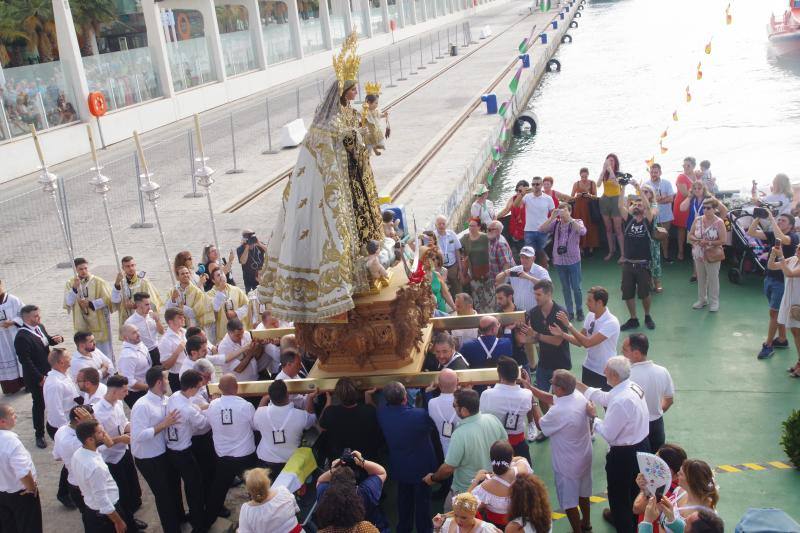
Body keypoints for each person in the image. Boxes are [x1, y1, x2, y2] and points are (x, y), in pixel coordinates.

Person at [257, 35, 384, 323]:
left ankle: (367, 260)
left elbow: (363, 138)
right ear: (341, 91)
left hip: (355, 178)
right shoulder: (327, 120)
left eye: (355, 90)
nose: (355, 94)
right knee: (338, 231)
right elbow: (331, 143)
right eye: (351, 90)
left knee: (365, 227)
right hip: (337, 183)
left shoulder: (350, 114)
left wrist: (370, 127)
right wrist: (354, 138)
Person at [579, 356, 650, 533]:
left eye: (606, 371)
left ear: (614, 375)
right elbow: (606, 397)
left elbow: (609, 434)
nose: (603, 373)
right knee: (635, 490)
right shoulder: (631, 386)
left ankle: (624, 525)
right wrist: (579, 385)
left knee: (618, 496)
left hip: (624, 455)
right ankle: (632, 521)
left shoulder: (621, 401)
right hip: (641, 446)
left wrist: (593, 417)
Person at [521, 369, 591, 533]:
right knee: (584, 493)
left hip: (567, 464)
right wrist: (530, 387)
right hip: (584, 456)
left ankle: (577, 530)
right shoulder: (578, 397)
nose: (551, 386)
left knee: (568, 502)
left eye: (553, 383)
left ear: (560, 389)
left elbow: (541, 425)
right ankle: (586, 524)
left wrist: (533, 402)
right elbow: (551, 398)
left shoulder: (558, 411)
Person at [423, 389, 507, 511]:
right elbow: (506, 447)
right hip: (492, 486)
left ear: (464, 411)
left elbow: (448, 469)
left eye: (454, 405)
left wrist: (432, 478)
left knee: (448, 516)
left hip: (466, 491)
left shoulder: (460, 434)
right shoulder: (493, 419)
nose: (453, 408)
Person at [377, 381, 440, 533]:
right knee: (422, 503)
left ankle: (403, 529)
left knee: (403, 501)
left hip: (401, 468)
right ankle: (424, 529)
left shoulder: (382, 413)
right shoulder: (419, 415)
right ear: (405, 397)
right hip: (422, 469)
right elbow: (432, 419)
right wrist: (428, 394)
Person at [130, 366, 183, 533]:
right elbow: (138, 435)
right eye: (166, 379)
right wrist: (163, 425)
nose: (168, 381)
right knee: (163, 495)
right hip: (149, 457)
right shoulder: (142, 405)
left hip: (163, 452)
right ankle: (171, 528)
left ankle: (180, 517)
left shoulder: (164, 399)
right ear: (159, 382)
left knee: (174, 487)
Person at [206, 374, 258, 521]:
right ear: (236, 387)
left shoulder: (213, 405)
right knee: (254, 486)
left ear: (220, 389)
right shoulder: (245, 406)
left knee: (219, 488)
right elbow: (255, 426)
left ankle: (207, 520)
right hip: (244, 456)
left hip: (223, 455)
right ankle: (259, 515)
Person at [71, 419, 138, 532]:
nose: (104, 434)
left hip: (92, 510)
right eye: (100, 433)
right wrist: (118, 521)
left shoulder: (78, 454)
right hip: (104, 517)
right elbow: (103, 500)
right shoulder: (95, 467)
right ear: (90, 440)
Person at [94, 375, 143, 525]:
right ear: (114, 392)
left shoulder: (118, 404)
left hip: (124, 452)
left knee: (133, 488)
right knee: (122, 494)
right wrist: (120, 439)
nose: (127, 394)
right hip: (111, 459)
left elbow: (123, 423)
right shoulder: (97, 413)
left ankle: (132, 515)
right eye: (124, 391)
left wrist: (136, 428)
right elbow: (98, 444)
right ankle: (127, 522)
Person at [165, 369, 211, 531]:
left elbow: (194, 408)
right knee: (195, 488)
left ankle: (182, 515)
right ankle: (198, 523)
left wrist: (203, 407)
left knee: (182, 485)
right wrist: (211, 411)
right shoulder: (187, 409)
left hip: (170, 448)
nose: (199, 389)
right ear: (192, 388)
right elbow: (203, 424)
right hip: (183, 451)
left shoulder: (175, 397)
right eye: (198, 387)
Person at [14, 304, 64, 448]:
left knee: (55, 399)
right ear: (27, 318)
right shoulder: (22, 337)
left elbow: (45, 340)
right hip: (36, 377)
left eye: (38, 315)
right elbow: (26, 361)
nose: (39, 318)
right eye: (35, 316)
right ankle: (39, 434)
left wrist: (55, 339)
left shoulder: (39, 327)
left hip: (49, 371)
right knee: (39, 404)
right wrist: (40, 378)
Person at [751, 212, 799, 359]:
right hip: (770, 278)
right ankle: (783, 339)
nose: (779, 222)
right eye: (779, 220)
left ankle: (769, 345)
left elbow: (784, 240)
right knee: (777, 312)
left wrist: (771, 217)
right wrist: (759, 216)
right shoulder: (773, 234)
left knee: (774, 313)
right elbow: (751, 232)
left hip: (781, 282)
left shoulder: (793, 237)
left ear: (791, 225)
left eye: (783, 221)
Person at [553, 286, 620, 391]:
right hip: (589, 367)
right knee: (586, 403)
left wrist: (569, 326)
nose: (586, 303)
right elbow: (579, 341)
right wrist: (562, 334)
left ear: (599, 302)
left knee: (608, 405)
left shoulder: (611, 322)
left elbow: (587, 343)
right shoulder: (590, 315)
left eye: (589, 300)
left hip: (605, 371)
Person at [622, 334, 675, 457]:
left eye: (625, 350)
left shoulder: (626, 376)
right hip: (657, 426)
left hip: (636, 428)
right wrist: (656, 411)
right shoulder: (662, 371)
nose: (621, 353)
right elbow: (669, 399)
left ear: (636, 353)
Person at [253, 379, 317, 478]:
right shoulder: (300, 416)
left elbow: (256, 420)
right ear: (287, 395)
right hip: (291, 462)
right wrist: (309, 399)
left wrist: (264, 399)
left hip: (265, 461)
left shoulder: (260, 413)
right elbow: (312, 419)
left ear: (270, 397)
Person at [516, 280, 571, 392]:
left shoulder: (560, 314)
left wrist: (536, 335)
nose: (536, 297)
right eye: (535, 294)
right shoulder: (534, 313)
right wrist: (525, 339)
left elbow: (557, 341)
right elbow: (534, 338)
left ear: (549, 294)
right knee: (541, 395)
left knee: (559, 397)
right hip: (544, 363)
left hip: (560, 364)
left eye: (539, 294)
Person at [479, 357, 537, 462]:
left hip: (495, 448)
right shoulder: (527, 394)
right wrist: (527, 384)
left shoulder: (487, 394)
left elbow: (482, 417)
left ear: (500, 375)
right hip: (519, 447)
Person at [42, 347, 78, 509]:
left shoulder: (63, 375)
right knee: (68, 460)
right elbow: (55, 411)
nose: (70, 358)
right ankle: (63, 493)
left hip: (70, 423)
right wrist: (67, 430)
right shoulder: (54, 384)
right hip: (61, 427)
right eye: (68, 357)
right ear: (60, 362)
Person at [317, 452, 389, 532]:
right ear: (354, 484)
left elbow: (320, 481)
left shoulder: (324, 496)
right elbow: (381, 472)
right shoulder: (364, 493)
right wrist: (362, 462)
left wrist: (332, 471)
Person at [467, 441, 532, 528]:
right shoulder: (521, 469)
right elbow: (521, 459)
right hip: (522, 525)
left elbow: (464, 503)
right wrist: (508, 460)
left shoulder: (485, 487)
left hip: (498, 527)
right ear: (511, 457)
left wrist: (476, 479)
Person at [319, 377, 384, 462]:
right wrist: (368, 396)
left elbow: (322, 426)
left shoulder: (330, 412)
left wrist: (328, 400)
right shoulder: (369, 411)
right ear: (356, 393)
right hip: (366, 458)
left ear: (338, 396)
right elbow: (375, 413)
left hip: (341, 459)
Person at [0, 404, 42, 533]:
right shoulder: (10, 441)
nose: (16, 416)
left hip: (2, 493)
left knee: (8, 526)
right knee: (29, 526)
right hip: (20, 494)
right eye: (12, 414)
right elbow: (23, 472)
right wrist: (31, 488)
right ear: (2, 421)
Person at [541, 203, 586, 320]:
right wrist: (552, 217)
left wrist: (569, 218)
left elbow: (582, 232)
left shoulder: (577, 221)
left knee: (576, 287)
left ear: (570, 211)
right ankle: (570, 311)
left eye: (564, 210)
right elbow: (541, 229)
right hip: (559, 262)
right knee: (565, 288)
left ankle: (579, 310)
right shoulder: (556, 223)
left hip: (573, 261)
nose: (561, 213)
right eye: (560, 210)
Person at [619, 191, 657, 330]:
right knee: (627, 292)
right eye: (635, 204)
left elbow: (648, 207)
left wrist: (638, 188)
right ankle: (633, 318)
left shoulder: (648, 221)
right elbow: (620, 205)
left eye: (640, 205)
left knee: (644, 293)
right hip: (628, 264)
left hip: (643, 264)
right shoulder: (629, 220)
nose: (637, 206)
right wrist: (622, 187)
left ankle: (647, 315)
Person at [63, 258, 115, 358]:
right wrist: (74, 288)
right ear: (75, 270)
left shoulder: (99, 282)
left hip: (99, 323)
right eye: (80, 269)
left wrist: (91, 304)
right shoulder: (70, 283)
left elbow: (108, 299)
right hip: (81, 322)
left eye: (85, 268)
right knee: (86, 352)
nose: (84, 271)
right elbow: (69, 302)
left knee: (104, 353)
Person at [633, 443, 687, 530]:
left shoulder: (666, 489)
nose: (651, 465)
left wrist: (645, 490)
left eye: (657, 463)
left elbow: (637, 508)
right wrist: (645, 488)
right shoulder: (679, 483)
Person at [52, 405, 92, 524]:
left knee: (87, 516)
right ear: (80, 420)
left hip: (74, 481)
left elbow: (57, 456)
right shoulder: (76, 441)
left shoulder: (62, 430)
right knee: (92, 518)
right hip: (83, 484)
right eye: (90, 418)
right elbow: (105, 441)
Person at [688, 198, 727, 312]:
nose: (705, 210)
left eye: (708, 208)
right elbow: (690, 235)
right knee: (701, 278)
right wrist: (697, 239)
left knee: (713, 278)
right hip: (698, 254)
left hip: (712, 255)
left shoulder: (719, 222)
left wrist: (709, 242)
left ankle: (714, 302)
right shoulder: (697, 220)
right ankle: (702, 300)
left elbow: (723, 240)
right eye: (704, 208)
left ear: (715, 209)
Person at [112, 256, 163, 340]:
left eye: (132, 265)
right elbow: (114, 300)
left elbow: (152, 302)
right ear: (123, 268)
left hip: (142, 318)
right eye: (127, 266)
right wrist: (117, 283)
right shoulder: (121, 281)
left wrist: (136, 306)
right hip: (127, 317)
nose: (131, 268)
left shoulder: (143, 281)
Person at [237, 467, 300, 533]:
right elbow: (296, 509)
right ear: (268, 482)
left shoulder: (246, 510)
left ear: (249, 490)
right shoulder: (283, 491)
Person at [772, 241, 800, 377]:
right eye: (799, 247)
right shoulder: (794, 259)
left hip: (798, 304)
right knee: (796, 334)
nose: (798, 249)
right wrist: (774, 253)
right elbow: (771, 266)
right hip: (791, 302)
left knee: (798, 334)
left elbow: (789, 273)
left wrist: (781, 256)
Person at [495, 246, 550, 313]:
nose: (524, 260)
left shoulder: (541, 271)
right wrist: (505, 273)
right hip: (518, 311)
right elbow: (497, 280)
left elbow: (548, 286)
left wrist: (528, 277)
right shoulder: (516, 269)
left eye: (527, 258)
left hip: (536, 312)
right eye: (522, 257)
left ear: (533, 258)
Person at [460, 217, 493, 313]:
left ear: (479, 227)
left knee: (489, 296)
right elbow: (460, 252)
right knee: (477, 297)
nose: (471, 228)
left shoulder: (485, 238)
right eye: (470, 226)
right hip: (473, 273)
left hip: (487, 271)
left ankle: (490, 315)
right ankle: (479, 316)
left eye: (474, 226)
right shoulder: (464, 239)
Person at [208, 268, 250, 343]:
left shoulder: (236, 290)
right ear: (213, 280)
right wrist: (220, 289)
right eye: (218, 275)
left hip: (238, 330)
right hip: (223, 332)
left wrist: (236, 313)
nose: (221, 276)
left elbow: (247, 305)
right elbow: (213, 310)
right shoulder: (209, 294)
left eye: (222, 274)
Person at [522, 176, 555, 266]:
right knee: (528, 253)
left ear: (541, 185)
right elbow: (516, 205)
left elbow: (554, 214)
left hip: (543, 230)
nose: (535, 186)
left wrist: (547, 225)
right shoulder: (526, 197)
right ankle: (530, 272)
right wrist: (521, 193)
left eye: (537, 184)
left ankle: (545, 271)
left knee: (541, 251)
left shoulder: (548, 198)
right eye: (533, 184)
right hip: (529, 230)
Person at [645, 163, 675, 264]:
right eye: (652, 172)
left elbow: (671, 199)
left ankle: (665, 256)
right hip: (651, 218)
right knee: (650, 237)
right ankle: (650, 257)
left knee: (664, 236)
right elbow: (644, 200)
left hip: (664, 217)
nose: (654, 174)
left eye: (656, 172)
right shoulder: (646, 185)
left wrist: (655, 200)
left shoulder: (666, 183)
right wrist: (662, 197)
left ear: (660, 172)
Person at [117, 324, 152, 408]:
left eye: (137, 331)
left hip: (147, 387)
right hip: (136, 394)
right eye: (134, 333)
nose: (138, 334)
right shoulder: (127, 356)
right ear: (126, 338)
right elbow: (129, 382)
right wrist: (149, 387)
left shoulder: (139, 343)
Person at [124, 292, 164, 366]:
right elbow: (128, 341)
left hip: (157, 349)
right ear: (138, 305)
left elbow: (162, 332)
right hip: (143, 353)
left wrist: (157, 321)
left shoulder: (152, 315)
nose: (149, 307)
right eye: (146, 304)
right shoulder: (130, 322)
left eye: (149, 304)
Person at [597, 154, 624, 261]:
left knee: (618, 229)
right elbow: (598, 184)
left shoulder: (618, 174)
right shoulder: (604, 174)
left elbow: (617, 185)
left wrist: (610, 170)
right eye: (608, 161)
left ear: (615, 162)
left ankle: (623, 254)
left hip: (616, 200)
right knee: (608, 228)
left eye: (612, 161)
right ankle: (611, 251)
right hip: (605, 200)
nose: (610, 163)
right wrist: (604, 170)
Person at [427, 368, 459, 456]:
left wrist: (427, 392)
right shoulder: (465, 402)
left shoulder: (431, 403)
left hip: (443, 450)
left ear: (439, 385)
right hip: (463, 446)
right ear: (457, 382)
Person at [217, 318, 261, 382]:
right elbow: (238, 369)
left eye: (242, 333)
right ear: (229, 333)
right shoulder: (223, 347)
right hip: (239, 383)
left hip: (255, 377)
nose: (241, 337)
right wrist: (250, 353)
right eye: (237, 335)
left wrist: (259, 346)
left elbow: (257, 356)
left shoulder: (246, 334)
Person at [431, 492, 501, 532]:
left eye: (464, 518)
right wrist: (437, 528)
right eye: (456, 515)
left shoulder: (486, 529)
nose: (458, 520)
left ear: (474, 514)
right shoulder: (448, 524)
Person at [0, 280, 24, 393]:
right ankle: (11, 387)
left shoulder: (13, 300)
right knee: (4, 358)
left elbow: (23, 314)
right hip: (1, 338)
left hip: (14, 333)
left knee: (20, 358)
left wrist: (13, 322)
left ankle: (25, 383)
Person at [570, 168, 600, 256]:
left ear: (588, 175)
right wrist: (577, 196)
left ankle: (591, 247)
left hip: (589, 207)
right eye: (582, 176)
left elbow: (596, 197)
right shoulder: (576, 184)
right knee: (579, 225)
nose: (584, 178)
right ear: (580, 176)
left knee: (590, 225)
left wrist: (589, 195)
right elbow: (571, 197)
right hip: (579, 207)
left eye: (585, 176)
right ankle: (581, 247)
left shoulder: (592, 183)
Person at [157, 308, 188, 393]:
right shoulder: (165, 340)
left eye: (183, 317)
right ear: (170, 322)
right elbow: (166, 366)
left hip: (190, 370)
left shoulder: (185, 332)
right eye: (179, 317)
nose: (183, 319)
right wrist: (177, 352)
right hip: (177, 376)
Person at [640, 185, 664, 294]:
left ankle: (657, 282)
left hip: (652, 238)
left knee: (655, 260)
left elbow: (651, 216)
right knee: (642, 260)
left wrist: (645, 206)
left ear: (651, 194)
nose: (644, 194)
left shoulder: (654, 205)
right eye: (642, 192)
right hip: (640, 236)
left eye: (646, 192)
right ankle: (646, 282)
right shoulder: (638, 205)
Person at [672, 157, 696, 262]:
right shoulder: (681, 177)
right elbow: (685, 193)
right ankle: (680, 251)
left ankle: (694, 251)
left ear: (693, 166)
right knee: (681, 229)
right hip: (682, 206)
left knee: (694, 228)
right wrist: (697, 192)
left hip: (693, 205)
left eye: (688, 165)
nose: (685, 167)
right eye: (684, 165)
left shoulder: (696, 176)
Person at [434, 215, 465, 295]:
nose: (441, 226)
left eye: (443, 224)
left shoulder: (451, 234)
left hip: (453, 267)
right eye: (439, 224)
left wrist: (460, 269)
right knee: (442, 291)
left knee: (457, 290)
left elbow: (457, 251)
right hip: (439, 268)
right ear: (435, 225)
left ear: (446, 225)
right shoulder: (433, 236)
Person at [496, 180, 529, 253]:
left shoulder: (529, 199)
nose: (518, 193)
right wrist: (496, 217)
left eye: (521, 191)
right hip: (515, 226)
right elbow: (506, 210)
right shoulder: (513, 198)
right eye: (517, 190)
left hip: (526, 228)